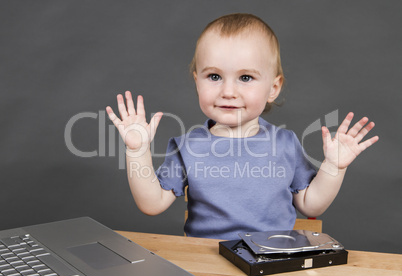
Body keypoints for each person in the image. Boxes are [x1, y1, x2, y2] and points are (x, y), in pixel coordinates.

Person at [106, 13, 379, 240]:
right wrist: (138, 151)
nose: (228, 91)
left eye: (245, 77)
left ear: (273, 88)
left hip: (273, 261)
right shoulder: (187, 147)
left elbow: (311, 204)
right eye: (214, 76)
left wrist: (334, 166)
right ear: (197, 81)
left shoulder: (284, 143)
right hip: (206, 265)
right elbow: (151, 204)